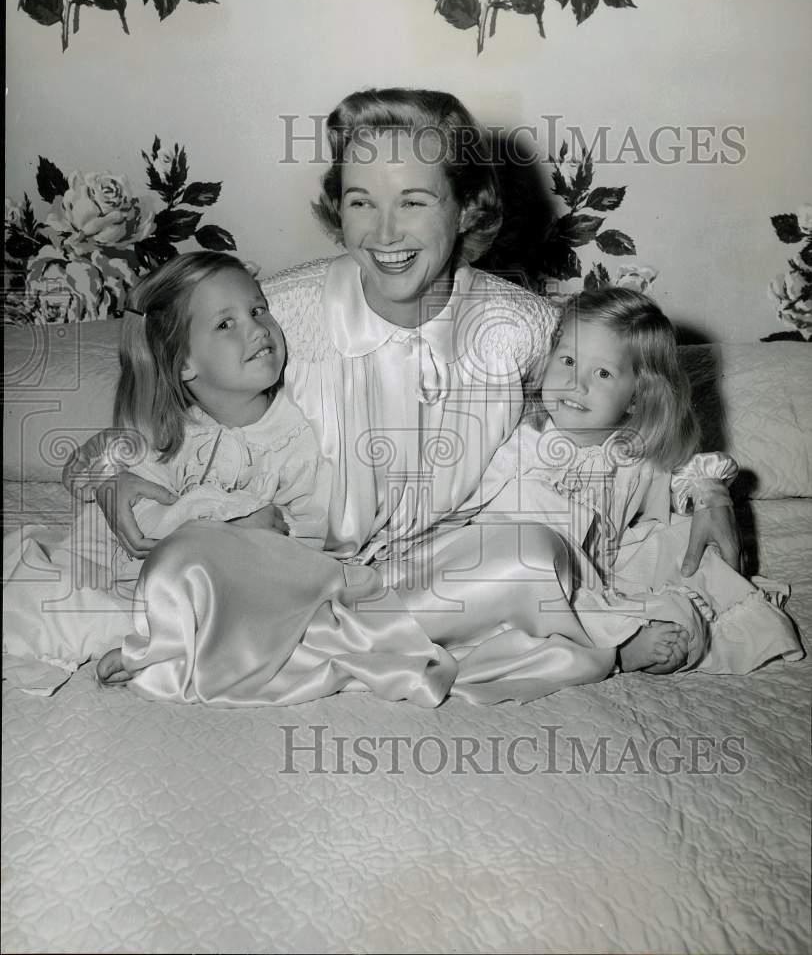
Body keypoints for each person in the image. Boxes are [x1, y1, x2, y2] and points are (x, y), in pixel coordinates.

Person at [63, 88, 744, 706]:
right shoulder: (284, 312)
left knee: (534, 557)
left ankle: (295, 643)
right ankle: (378, 639)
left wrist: (706, 486)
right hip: (296, 570)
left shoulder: (522, 327)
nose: (384, 234)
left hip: (440, 576)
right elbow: (163, 395)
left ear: (467, 207)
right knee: (188, 559)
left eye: (413, 202)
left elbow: (633, 393)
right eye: (361, 201)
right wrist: (108, 477)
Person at [7, 251, 453, 705]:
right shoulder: (169, 430)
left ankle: (162, 642)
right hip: (133, 580)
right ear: (184, 365)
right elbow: (82, 475)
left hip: (231, 589)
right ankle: (132, 629)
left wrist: (247, 536)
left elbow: (313, 544)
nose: (257, 328)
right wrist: (110, 484)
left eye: (258, 310)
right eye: (226, 324)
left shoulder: (294, 437)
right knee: (52, 571)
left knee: (215, 577)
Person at [480, 288, 802, 676]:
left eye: (602, 373)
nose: (575, 383)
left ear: (637, 396)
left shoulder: (632, 450)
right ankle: (618, 649)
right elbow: (471, 500)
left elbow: (687, 471)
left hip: (606, 565)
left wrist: (710, 493)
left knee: (684, 544)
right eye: (567, 360)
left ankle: (650, 623)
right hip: (536, 574)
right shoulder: (524, 441)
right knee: (526, 577)